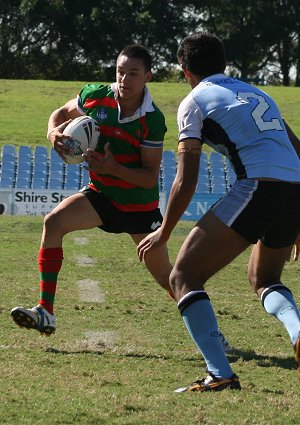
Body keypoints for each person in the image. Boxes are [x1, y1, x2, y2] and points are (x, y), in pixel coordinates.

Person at [137, 32, 300, 392]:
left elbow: (186, 179)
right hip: (296, 190)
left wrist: (163, 232)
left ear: (184, 70)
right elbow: (296, 148)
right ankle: (298, 331)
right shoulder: (258, 92)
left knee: (183, 277)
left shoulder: (194, 101)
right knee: (265, 279)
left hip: (259, 186)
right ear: (223, 63)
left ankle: (220, 374)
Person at [10, 44, 173, 335]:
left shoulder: (152, 120)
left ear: (148, 76)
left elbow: (149, 179)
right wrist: (53, 134)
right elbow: (59, 113)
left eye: (133, 74)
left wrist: (115, 169)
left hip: (139, 207)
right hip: (102, 195)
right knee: (53, 222)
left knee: (167, 278)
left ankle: (213, 333)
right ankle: (45, 311)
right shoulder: (97, 95)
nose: (124, 79)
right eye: (120, 72)